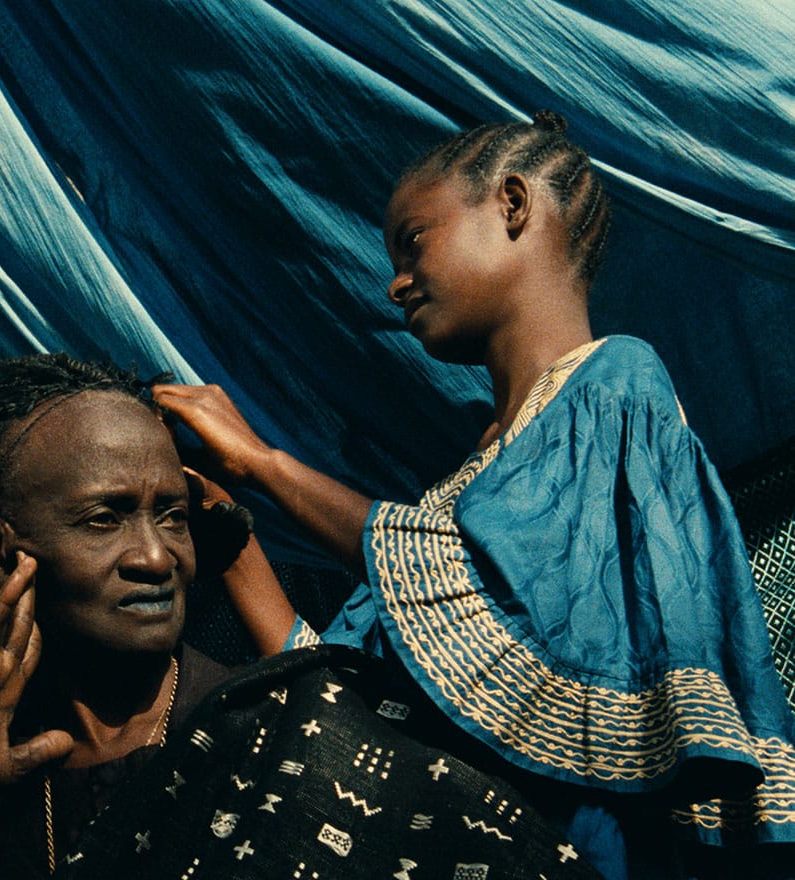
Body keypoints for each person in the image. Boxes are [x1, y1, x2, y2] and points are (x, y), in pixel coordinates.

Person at [153, 111, 795, 877]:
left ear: (514, 205)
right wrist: (230, 524)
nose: (394, 283)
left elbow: (515, 615)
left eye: (413, 241)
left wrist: (266, 463)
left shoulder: (616, 381)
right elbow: (346, 689)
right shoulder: (467, 476)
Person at [0, 353, 599, 880]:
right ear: (1, 553)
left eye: (173, 516)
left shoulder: (301, 733)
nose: (157, 555)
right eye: (104, 517)